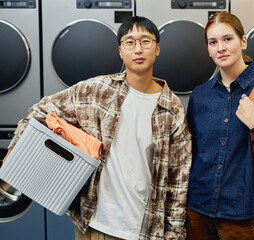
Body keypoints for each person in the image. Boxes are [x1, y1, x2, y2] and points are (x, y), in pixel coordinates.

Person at [5, 16, 192, 240]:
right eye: (130, 42)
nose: (138, 49)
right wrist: (14, 155)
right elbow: (40, 111)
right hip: (95, 225)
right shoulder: (97, 91)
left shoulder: (173, 109)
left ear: (158, 48)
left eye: (146, 41)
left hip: (145, 229)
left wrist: (175, 235)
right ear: (120, 50)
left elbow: (178, 179)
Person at [185, 11, 254, 240]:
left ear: (243, 41)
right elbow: (191, 153)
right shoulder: (200, 95)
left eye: (228, 39)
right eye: (213, 42)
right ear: (208, 49)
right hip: (198, 212)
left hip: (243, 215)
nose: (221, 47)